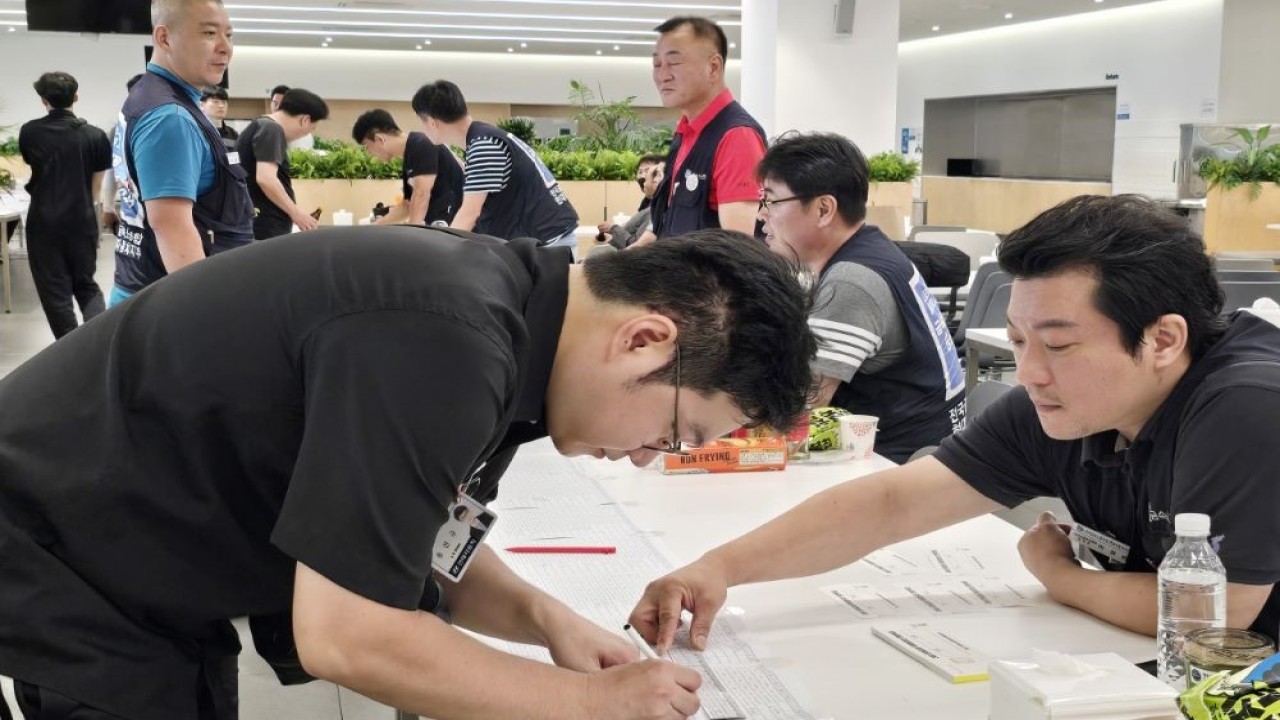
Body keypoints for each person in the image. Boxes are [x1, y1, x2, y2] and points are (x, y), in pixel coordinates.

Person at [0, 225, 817, 720]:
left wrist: (543, 619)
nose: (645, 456)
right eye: (673, 430)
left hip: (134, 555)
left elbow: (411, 531)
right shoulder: (446, 340)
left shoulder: (504, 313)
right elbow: (349, 633)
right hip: (66, 550)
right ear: (644, 340)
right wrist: (588, 704)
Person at [630, 194, 1280, 654]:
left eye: (1057, 345)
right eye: (1019, 341)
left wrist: (1061, 578)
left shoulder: (1246, 407)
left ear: (1163, 339)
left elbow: (1207, 619)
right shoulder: (1073, 405)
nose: (1028, 373)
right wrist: (717, 568)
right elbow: (890, 505)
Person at [758, 133, 965, 462]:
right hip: (908, 448)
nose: (761, 215)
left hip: (892, 468)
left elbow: (801, 404)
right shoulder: (871, 250)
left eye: (770, 201)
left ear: (824, 209)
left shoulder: (853, 282)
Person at [109, 0, 255, 306]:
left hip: (143, 288)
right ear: (164, 38)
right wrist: (204, 315)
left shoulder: (153, 96)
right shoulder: (170, 117)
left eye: (229, 35)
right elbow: (172, 227)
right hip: (166, 304)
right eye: (209, 33)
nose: (225, 47)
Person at [635, 16, 766, 246]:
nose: (662, 75)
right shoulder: (684, 131)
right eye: (657, 65)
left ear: (713, 67)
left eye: (674, 64)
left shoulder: (736, 136)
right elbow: (662, 225)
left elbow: (738, 252)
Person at [412, 80, 580, 249]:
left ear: (432, 122)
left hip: (548, 245)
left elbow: (470, 213)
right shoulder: (483, 137)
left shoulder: (484, 146)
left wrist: (442, 251)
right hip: (544, 240)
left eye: (422, 121)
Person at [17, 71, 113, 339]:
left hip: (43, 219)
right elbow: (96, 189)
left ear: (43, 100)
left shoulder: (30, 131)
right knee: (86, 284)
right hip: (81, 217)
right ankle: (100, 340)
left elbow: (33, 165)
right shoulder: (95, 136)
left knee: (53, 289)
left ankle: (70, 351)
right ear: (76, 96)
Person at [236, 87, 328, 239]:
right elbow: (266, 179)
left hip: (259, 224)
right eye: (310, 129)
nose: (303, 135)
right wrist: (297, 214)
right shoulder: (271, 130)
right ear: (304, 120)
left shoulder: (261, 125)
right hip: (265, 228)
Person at [352, 108, 465, 226]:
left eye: (367, 147)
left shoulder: (422, 144)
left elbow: (421, 194)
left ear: (379, 139)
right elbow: (407, 205)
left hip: (457, 227)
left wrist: (412, 231)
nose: (369, 153)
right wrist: (376, 226)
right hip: (441, 226)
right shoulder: (410, 155)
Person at [598, 154, 665, 250]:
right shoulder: (647, 204)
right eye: (640, 171)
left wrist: (613, 229)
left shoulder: (657, 209)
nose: (643, 177)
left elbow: (637, 244)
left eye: (648, 171)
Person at [200, 85, 239, 150]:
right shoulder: (197, 130)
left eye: (224, 102)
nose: (221, 106)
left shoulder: (233, 134)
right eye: (215, 102)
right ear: (202, 105)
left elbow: (235, 158)